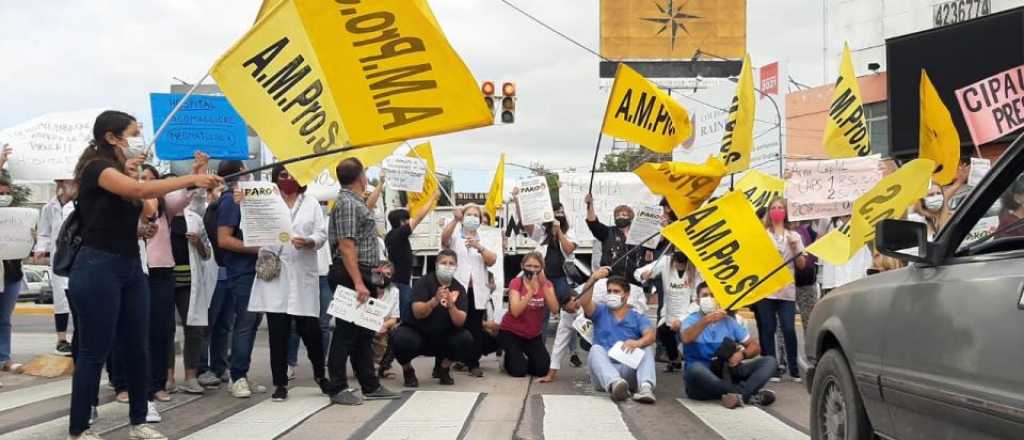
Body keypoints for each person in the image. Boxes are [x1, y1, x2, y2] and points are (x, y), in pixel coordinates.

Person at [66, 110, 221, 440]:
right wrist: (190, 179)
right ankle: (79, 428)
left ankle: (139, 420)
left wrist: (135, 175)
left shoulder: (123, 172)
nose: (139, 138)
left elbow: (149, 206)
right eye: (133, 132)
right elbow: (138, 193)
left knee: (139, 345)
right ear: (111, 137)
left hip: (130, 267)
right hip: (96, 267)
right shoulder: (97, 168)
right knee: (95, 350)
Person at [237, 165, 329, 402]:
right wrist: (243, 203)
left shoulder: (311, 203)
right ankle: (280, 383)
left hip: (302, 273)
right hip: (276, 276)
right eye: (283, 175)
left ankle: (321, 375)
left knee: (311, 330)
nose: (288, 179)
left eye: (292, 175)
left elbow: (321, 234)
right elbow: (248, 228)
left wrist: (309, 242)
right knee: (277, 333)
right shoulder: (266, 200)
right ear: (276, 179)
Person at [325, 158, 400, 405]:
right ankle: (336, 386)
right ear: (360, 178)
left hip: (362, 272)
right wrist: (358, 282)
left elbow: (363, 215)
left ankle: (370, 384)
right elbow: (347, 246)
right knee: (346, 332)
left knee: (363, 333)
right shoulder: (347, 203)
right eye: (365, 173)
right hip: (351, 273)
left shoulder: (354, 202)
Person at [139, 164, 200, 404]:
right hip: (137, 272)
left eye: (150, 179)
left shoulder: (166, 207)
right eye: (140, 178)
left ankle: (158, 384)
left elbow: (184, 195)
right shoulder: (128, 204)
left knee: (162, 330)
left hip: (162, 272)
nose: (144, 182)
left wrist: (196, 172)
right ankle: (128, 382)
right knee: (136, 330)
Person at [217, 160, 271, 399]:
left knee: (251, 323)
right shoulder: (230, 200)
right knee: (245, 324)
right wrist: (257, 248)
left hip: (254, 270)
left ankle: (241, 374)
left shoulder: (244, 199)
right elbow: (224, 239)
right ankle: (237, 376)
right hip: (242, 272)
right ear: (241, 172)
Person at [682, 283, 777, 409]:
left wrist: (742, 354)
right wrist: (706, 320)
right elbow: (686, 338)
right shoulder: (690, 320)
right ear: (697, 301)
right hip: (703, 376)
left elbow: (754, 347)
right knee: (695, 369)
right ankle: (746, 393)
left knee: (770, 361)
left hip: (728, 371)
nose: (709, 298)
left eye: (712, 295)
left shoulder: (729, 321)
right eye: (705, 295)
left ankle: (736, 395)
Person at [391, 249, 476, 387]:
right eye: (444, 263)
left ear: (456, 266)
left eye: (451, 263)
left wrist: (451, 305)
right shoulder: (424, 282)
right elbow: (418, 312)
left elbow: (460, 321)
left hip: (444, 337)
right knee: (400, 338)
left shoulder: (459, 288)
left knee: (465, 338)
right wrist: (434, 301)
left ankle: (443, 368)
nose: (447, 266)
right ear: (436, 264)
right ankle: (408, 370)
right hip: (418, 334)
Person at [577, 268, 657, 404]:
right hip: (602, 373)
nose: (611, 295)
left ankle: (645, 388)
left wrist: (638, 343)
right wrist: (593, 279)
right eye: (609, 291)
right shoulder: (600, 311)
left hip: (626, 369)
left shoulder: (637, 317)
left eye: (616, 291)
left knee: (647, 347)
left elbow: (650, 336)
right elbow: (584, 302)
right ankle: (615, 384)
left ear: (626, 295)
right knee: (595, 349)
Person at [440, 204, 498, 378]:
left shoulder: (485, 237)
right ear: (463, 217)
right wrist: (455, 220)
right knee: (450, 324)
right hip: (457, 288)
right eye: (469, 214)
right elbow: (444, 240)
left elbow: (492, 260)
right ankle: (442, 362)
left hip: (477, 291)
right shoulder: (456, 234)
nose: (472, 217)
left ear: (480, 220)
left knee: (475, 327)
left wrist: (479, 247)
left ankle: (473, 363)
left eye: (475, 215)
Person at [757, 198, 806, 383]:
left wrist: (794, 249)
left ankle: (794, 368)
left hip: (786, 290)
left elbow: (801, 265)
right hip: (766, 289)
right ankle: (772, 368)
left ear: (786, 212)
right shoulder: (762, 235)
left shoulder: (794, 236)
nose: (777, 211)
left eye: (780, 208)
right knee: (768, 329)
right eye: (774, 208)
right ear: (769, 212)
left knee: (788, 328)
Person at [196, 168, 235, 389]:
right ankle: (202, 367)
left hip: (227, 273)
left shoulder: (227, 209)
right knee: (207, 324)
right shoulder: (203, 210)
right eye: (214, 190)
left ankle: (220, 367)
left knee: (224, 324)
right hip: (211, 275)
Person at [33, 178, 78, 356]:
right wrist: (40, 249)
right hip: (59, 258)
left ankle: (79, 338)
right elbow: (44, 232)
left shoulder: (79, 204)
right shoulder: (49, 207)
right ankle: (61, 339)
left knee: (76, 298)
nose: (66, 186)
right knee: (61, 299)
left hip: (77, 256)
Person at [635, 251, 700, 372]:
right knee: (663, 332)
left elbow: (697, 300)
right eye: (677, 263)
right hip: (669, 309)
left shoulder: (696, 269)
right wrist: (643, 275)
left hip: (688, 311)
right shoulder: (665, 261)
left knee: (688, 338)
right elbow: (638, 272)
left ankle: (693, 363)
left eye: (682, 264)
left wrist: (682, 319)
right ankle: (674, 359)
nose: (679, 266)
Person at [497, 252, 558, 378]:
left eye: (536, 266)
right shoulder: (516, 282)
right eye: (529, 266)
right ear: (522, 266)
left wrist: (543, 285)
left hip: (532, 335)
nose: (532, 269)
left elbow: (555, 309)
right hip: (511, 332)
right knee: (518, 371)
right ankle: (508, 357)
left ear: (542, 268)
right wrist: (530, 291)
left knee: (542, 369)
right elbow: (515, 311)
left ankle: (521, 358)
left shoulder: (547, 284)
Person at [385, 190, 440, 321]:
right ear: (402, 222)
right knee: (405, 317)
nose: (410, 221)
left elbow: (408, 211)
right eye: (407, 219)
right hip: (400, 284)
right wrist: (432, 198)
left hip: (398, 282)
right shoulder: (400, 233)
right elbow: (419, 217)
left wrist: (411, 201)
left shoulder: (391, 234)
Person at [0, 145, 27, 378]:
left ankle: (4, 358)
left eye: (5, 193)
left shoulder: (18, 217)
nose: (3, 197)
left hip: (11, 274)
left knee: (4, 319)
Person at [584, 194, 645, 283]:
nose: (620, 217)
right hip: (610, 281)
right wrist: (590, 205)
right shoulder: (607, 232)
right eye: (617, 215)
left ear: (631, 218)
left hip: (633, 281)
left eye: (624, 215)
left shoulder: (638, 235)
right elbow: (593, 223)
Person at [369, 262, 400, 379]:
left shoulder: (394, 291)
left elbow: (394, 317)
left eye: (388, 274)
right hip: (367, 323)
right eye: (380, 273)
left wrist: (384, 325)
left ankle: (385, 366)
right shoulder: (367, 288)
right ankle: (364, 365)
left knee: (396, 333)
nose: (383, 277)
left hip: (384, 324)